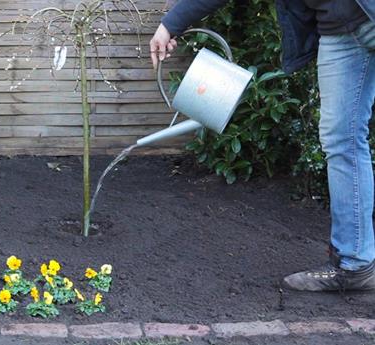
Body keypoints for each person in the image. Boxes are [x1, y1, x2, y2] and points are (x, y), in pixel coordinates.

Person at [151, 0, 375, 292]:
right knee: (340, 141)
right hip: (340, 32)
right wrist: (170, 24)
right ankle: (355, 263)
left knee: (344, 141)